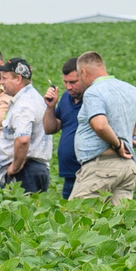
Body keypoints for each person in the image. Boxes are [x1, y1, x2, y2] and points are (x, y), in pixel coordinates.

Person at [70, 51, 136, 204]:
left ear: (83, 72)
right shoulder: (129, 88)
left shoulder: (93, 92)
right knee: (118, 222)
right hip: (127, 168)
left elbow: (100, 125)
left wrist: (118, 144)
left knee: (77, 216)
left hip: (102, 168)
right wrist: (133, 136)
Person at [0, 59, 51, 192]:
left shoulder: (24, 105)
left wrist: (14, 168)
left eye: (4, 78)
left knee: (24, 211)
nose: (1, 82)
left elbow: (23, 140)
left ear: (18, 78)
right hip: (34, 168)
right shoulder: (33, 97)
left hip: (26, 171)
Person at [45, 54, 85, 198]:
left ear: (84, 76)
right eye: (65, 82)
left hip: (88, 172)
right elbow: (50, 129)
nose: (68, 87)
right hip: (69, 173)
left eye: (73, 82)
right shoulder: (66, 98)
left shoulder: (94, 98)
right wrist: (50, 106)